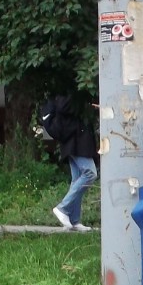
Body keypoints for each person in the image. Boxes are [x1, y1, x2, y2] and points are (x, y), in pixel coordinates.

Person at [39, 94, 98, 231]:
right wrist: (84, 105)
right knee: (90, 173)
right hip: (75, 141)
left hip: (75, 141)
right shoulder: (68, 90)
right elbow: (64, 107)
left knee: (77, 179)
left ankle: (74, 220)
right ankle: (63, 208)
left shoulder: (68, 90)